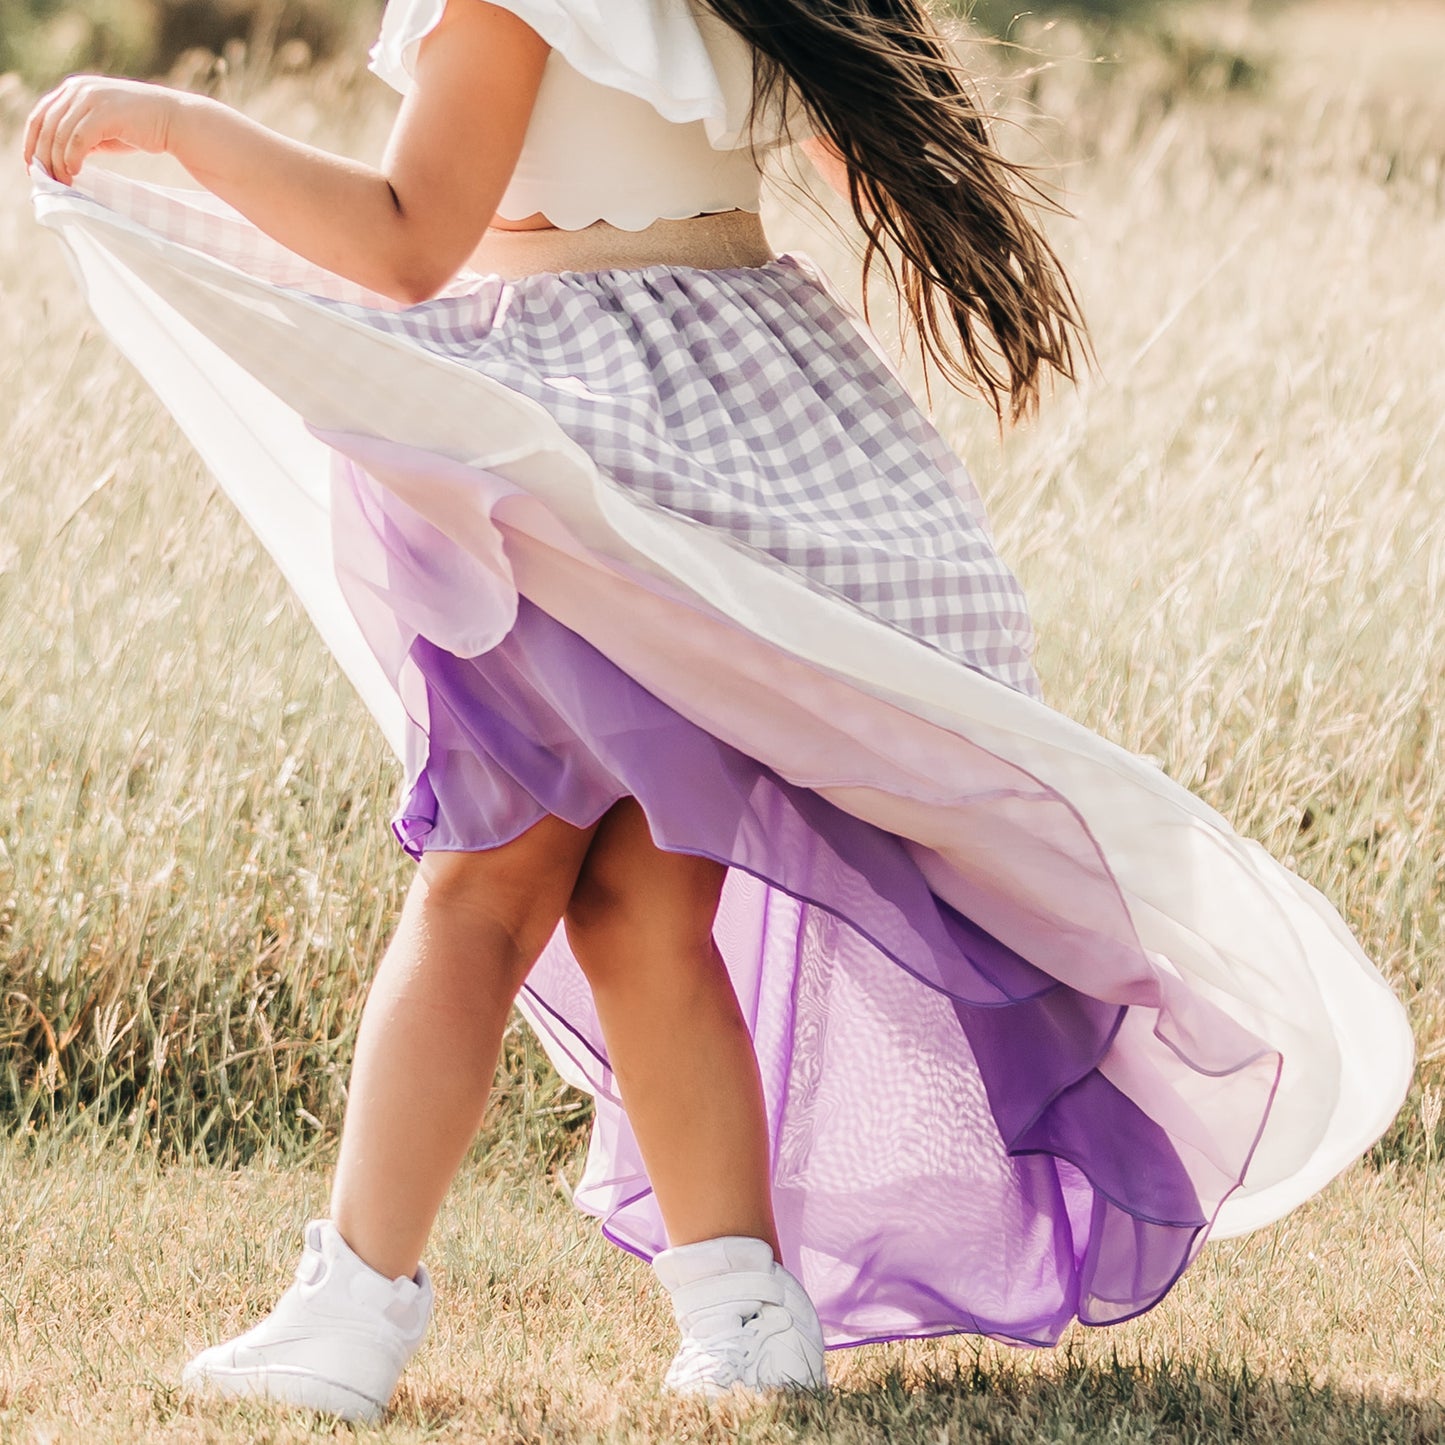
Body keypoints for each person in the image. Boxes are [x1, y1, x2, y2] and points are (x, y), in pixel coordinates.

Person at [23, 0, 1411, 1425]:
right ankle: (741, 1307)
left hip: (572, 437)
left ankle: (352, 1311)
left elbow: (404, 239)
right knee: (633, 903)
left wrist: (181, 129)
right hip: (752, 417)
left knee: (486, 889)